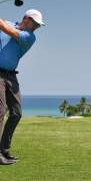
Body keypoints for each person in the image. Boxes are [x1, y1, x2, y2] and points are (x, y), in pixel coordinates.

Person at [0, 9, 44, 165]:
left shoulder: (30, 37)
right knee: (0, 111)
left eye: (38, 25)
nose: (37, 27)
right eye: (35, 23)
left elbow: (9, 31)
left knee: (16, 113)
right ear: (26, 18)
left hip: (11, 75)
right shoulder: (7, 23)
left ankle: (4, 150)